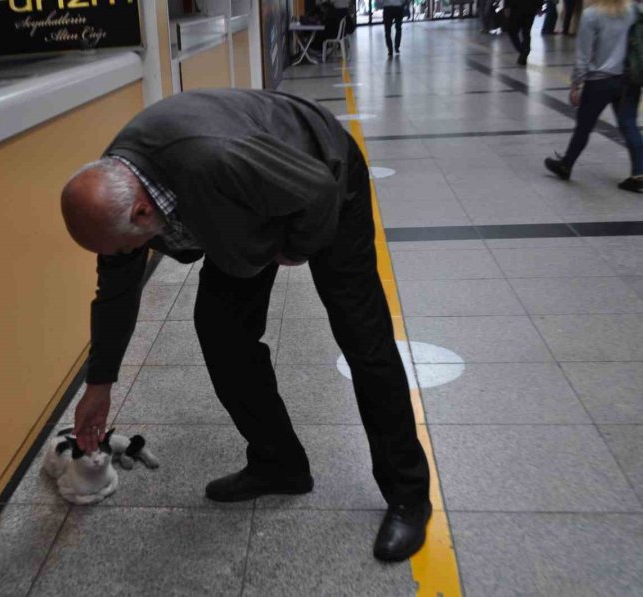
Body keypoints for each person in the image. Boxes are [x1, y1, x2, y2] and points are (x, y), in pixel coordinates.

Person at [61, 89, 432, 562]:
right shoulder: (115, 188)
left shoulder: (214, 159)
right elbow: (115, 291)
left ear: (142, 212)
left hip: (323, 174)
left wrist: (291, 250)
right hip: (239, 205)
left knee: (363, 336)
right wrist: (100, 384)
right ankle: (279, 464)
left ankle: (408, 495)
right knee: (222, 334)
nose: (121, 257)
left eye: (123, 248)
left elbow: (317, 191)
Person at [544, 0, 643, 191]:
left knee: (584, 126)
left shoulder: (592, 15)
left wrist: (576, 85)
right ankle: (639, 173)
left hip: (599, 81)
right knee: (629, 124)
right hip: (628, 79)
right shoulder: (633, 11)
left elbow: (582, 56)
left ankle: (566, 165)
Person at [504, 0, 545, 64]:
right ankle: (525, 51)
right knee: (526, 32)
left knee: (512, 30)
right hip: (530, 7)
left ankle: (523, 50)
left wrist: (507, 6)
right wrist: (539, 6)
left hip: (517, 8)